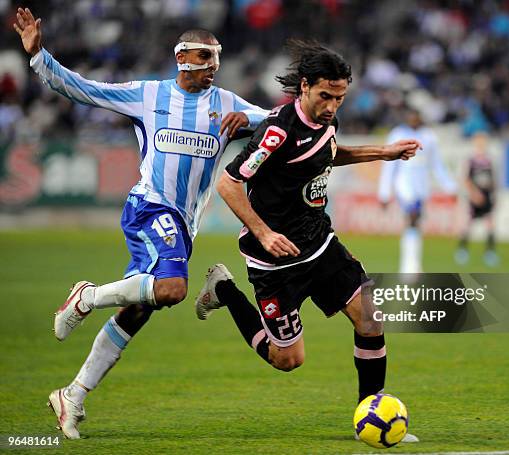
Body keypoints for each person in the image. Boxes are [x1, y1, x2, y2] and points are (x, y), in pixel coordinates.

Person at [13, 7, 268, 439]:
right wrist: (39, 56)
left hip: (183, 225)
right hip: (149, 207)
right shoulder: (148, 95)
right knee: (173, 289)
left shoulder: (227, 104)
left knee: (141, 309)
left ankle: (72, 395)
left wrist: (252, 121)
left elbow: (277, 123)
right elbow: (84, 89)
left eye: (216, 58)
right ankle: (87, 297)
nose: (213, 67)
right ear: (182, 58)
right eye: (205, 58)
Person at [193, 40, 420, 442]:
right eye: (325, 96)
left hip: (321, 244)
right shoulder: (277, 131)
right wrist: (263, 231)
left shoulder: (326, 121)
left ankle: (370, 413)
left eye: (340, 97)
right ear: (304, 87)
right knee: (287, 360)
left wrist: (381, 153)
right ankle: (225, 290)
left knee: (370, 319)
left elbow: (326, 153)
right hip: (275, 263)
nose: (332, 106)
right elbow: (228, 183)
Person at [377, 108, 457, 273]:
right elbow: (389, 166)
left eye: (416, 117)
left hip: (422, 187)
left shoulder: (429, 136)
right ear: (406, 118)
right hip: (404, 186)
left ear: (420, 118)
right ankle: (408, 267)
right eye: (410, 117)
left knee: (415, 223)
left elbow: (436, 165)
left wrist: (450, 186)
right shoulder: (397, 134)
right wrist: (384, 192)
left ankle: (413, 263)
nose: (413, 120)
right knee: (412, 218)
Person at [455, 132, 499, 266]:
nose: (481, 144)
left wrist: (494, 195)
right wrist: (474, 194)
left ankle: (490, 253)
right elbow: (466, 179)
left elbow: (493, 180)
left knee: (490, 224)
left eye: (483, 142)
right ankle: (462, 251)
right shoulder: (471, 160)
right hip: (474, 197)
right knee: (467, 224)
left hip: (486, 197)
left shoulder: (489, 160)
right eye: (479, 142)